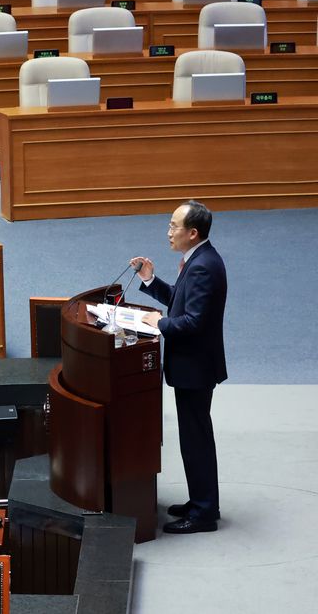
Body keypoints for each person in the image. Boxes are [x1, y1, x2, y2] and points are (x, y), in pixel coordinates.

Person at [130, 200, 227, 534]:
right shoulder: (198, 259)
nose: (169, 232)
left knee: (196, 439)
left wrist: (159, 323)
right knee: (193, 438)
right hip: (193, 367)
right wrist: (150, 280)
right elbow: (178, 298)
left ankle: (203, 513)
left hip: (196, 368)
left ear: (193, 232)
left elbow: (193, 321)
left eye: (174, 226)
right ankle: (200, 500)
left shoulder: (203, 265)